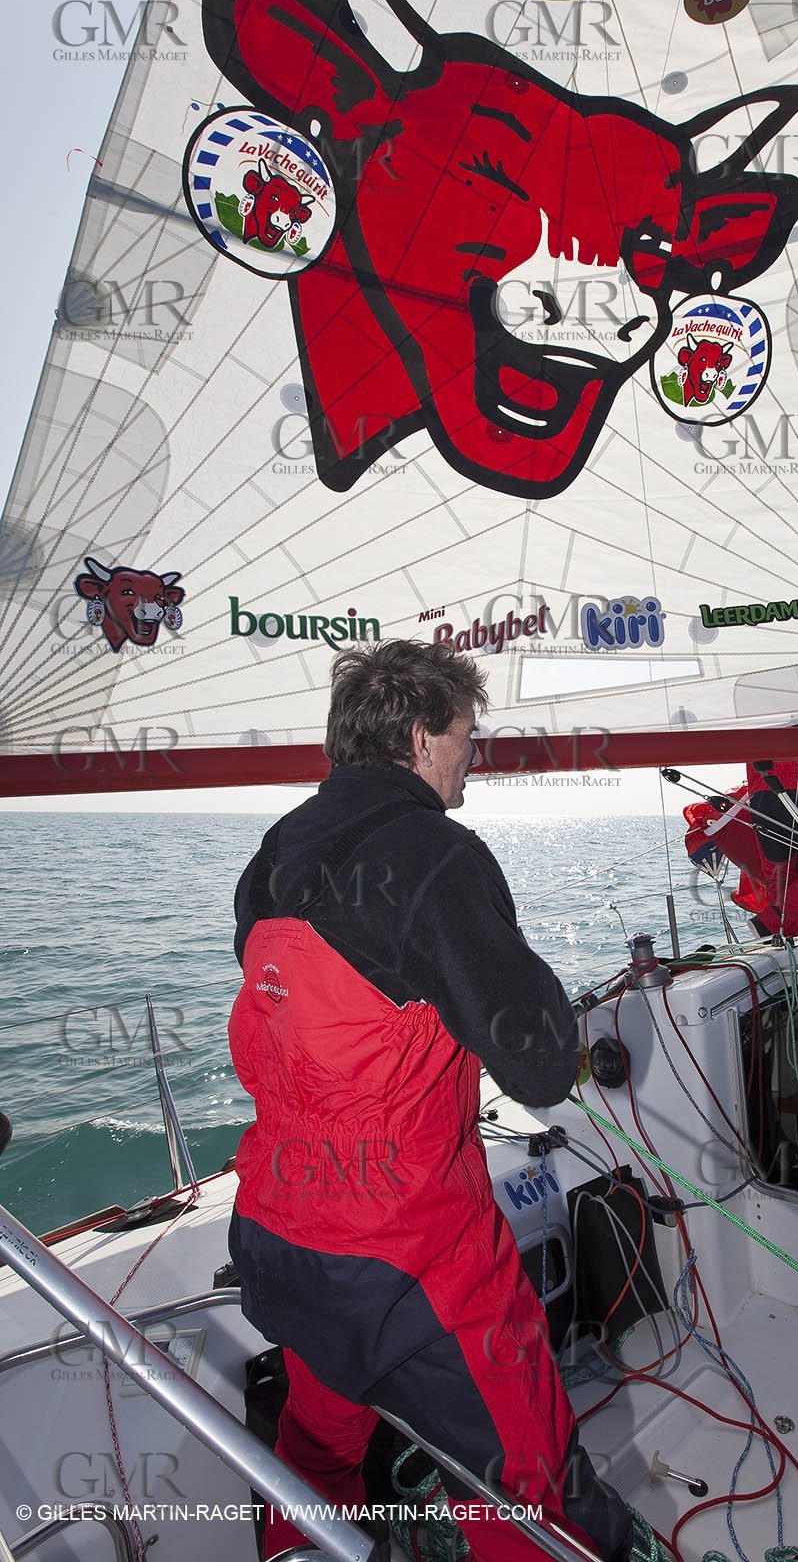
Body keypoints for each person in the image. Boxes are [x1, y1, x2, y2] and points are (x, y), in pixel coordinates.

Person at [226, 639, 636, 1562]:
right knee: (527, 1497)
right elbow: (541, 1070)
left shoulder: (274, 851)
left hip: (283, 1240)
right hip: (415, 1266)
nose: (472, 756)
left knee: (315, 1454)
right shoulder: (436, 855)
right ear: (420, 737)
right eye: (465, 736)